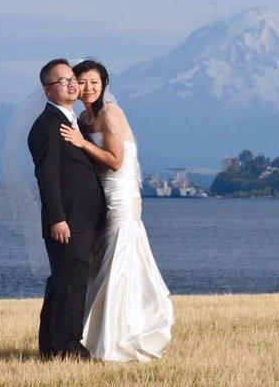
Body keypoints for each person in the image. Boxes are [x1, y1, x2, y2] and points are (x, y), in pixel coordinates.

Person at [60, 60, 174, 362]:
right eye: (82, 82)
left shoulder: (111, 113)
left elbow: (115, 161)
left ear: (104, 84)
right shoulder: (84, 117)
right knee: (103, 261)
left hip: (121, 195)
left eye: (94, 82)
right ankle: (97, 337)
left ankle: (120, 337)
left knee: (118, 257)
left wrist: (82, 144)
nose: (88, 88)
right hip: (101, 195)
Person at [27, 59, 105, 359]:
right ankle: (68, 347)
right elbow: (46, 176)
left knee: (65, 282)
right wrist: (57, 218)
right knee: (69, 283)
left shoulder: (73, 121)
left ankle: (51, 346)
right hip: (67, 221)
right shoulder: (47, 126)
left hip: (83, 219)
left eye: (73, 77)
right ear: (48, 91)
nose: (73, 83)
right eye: (64, 80)